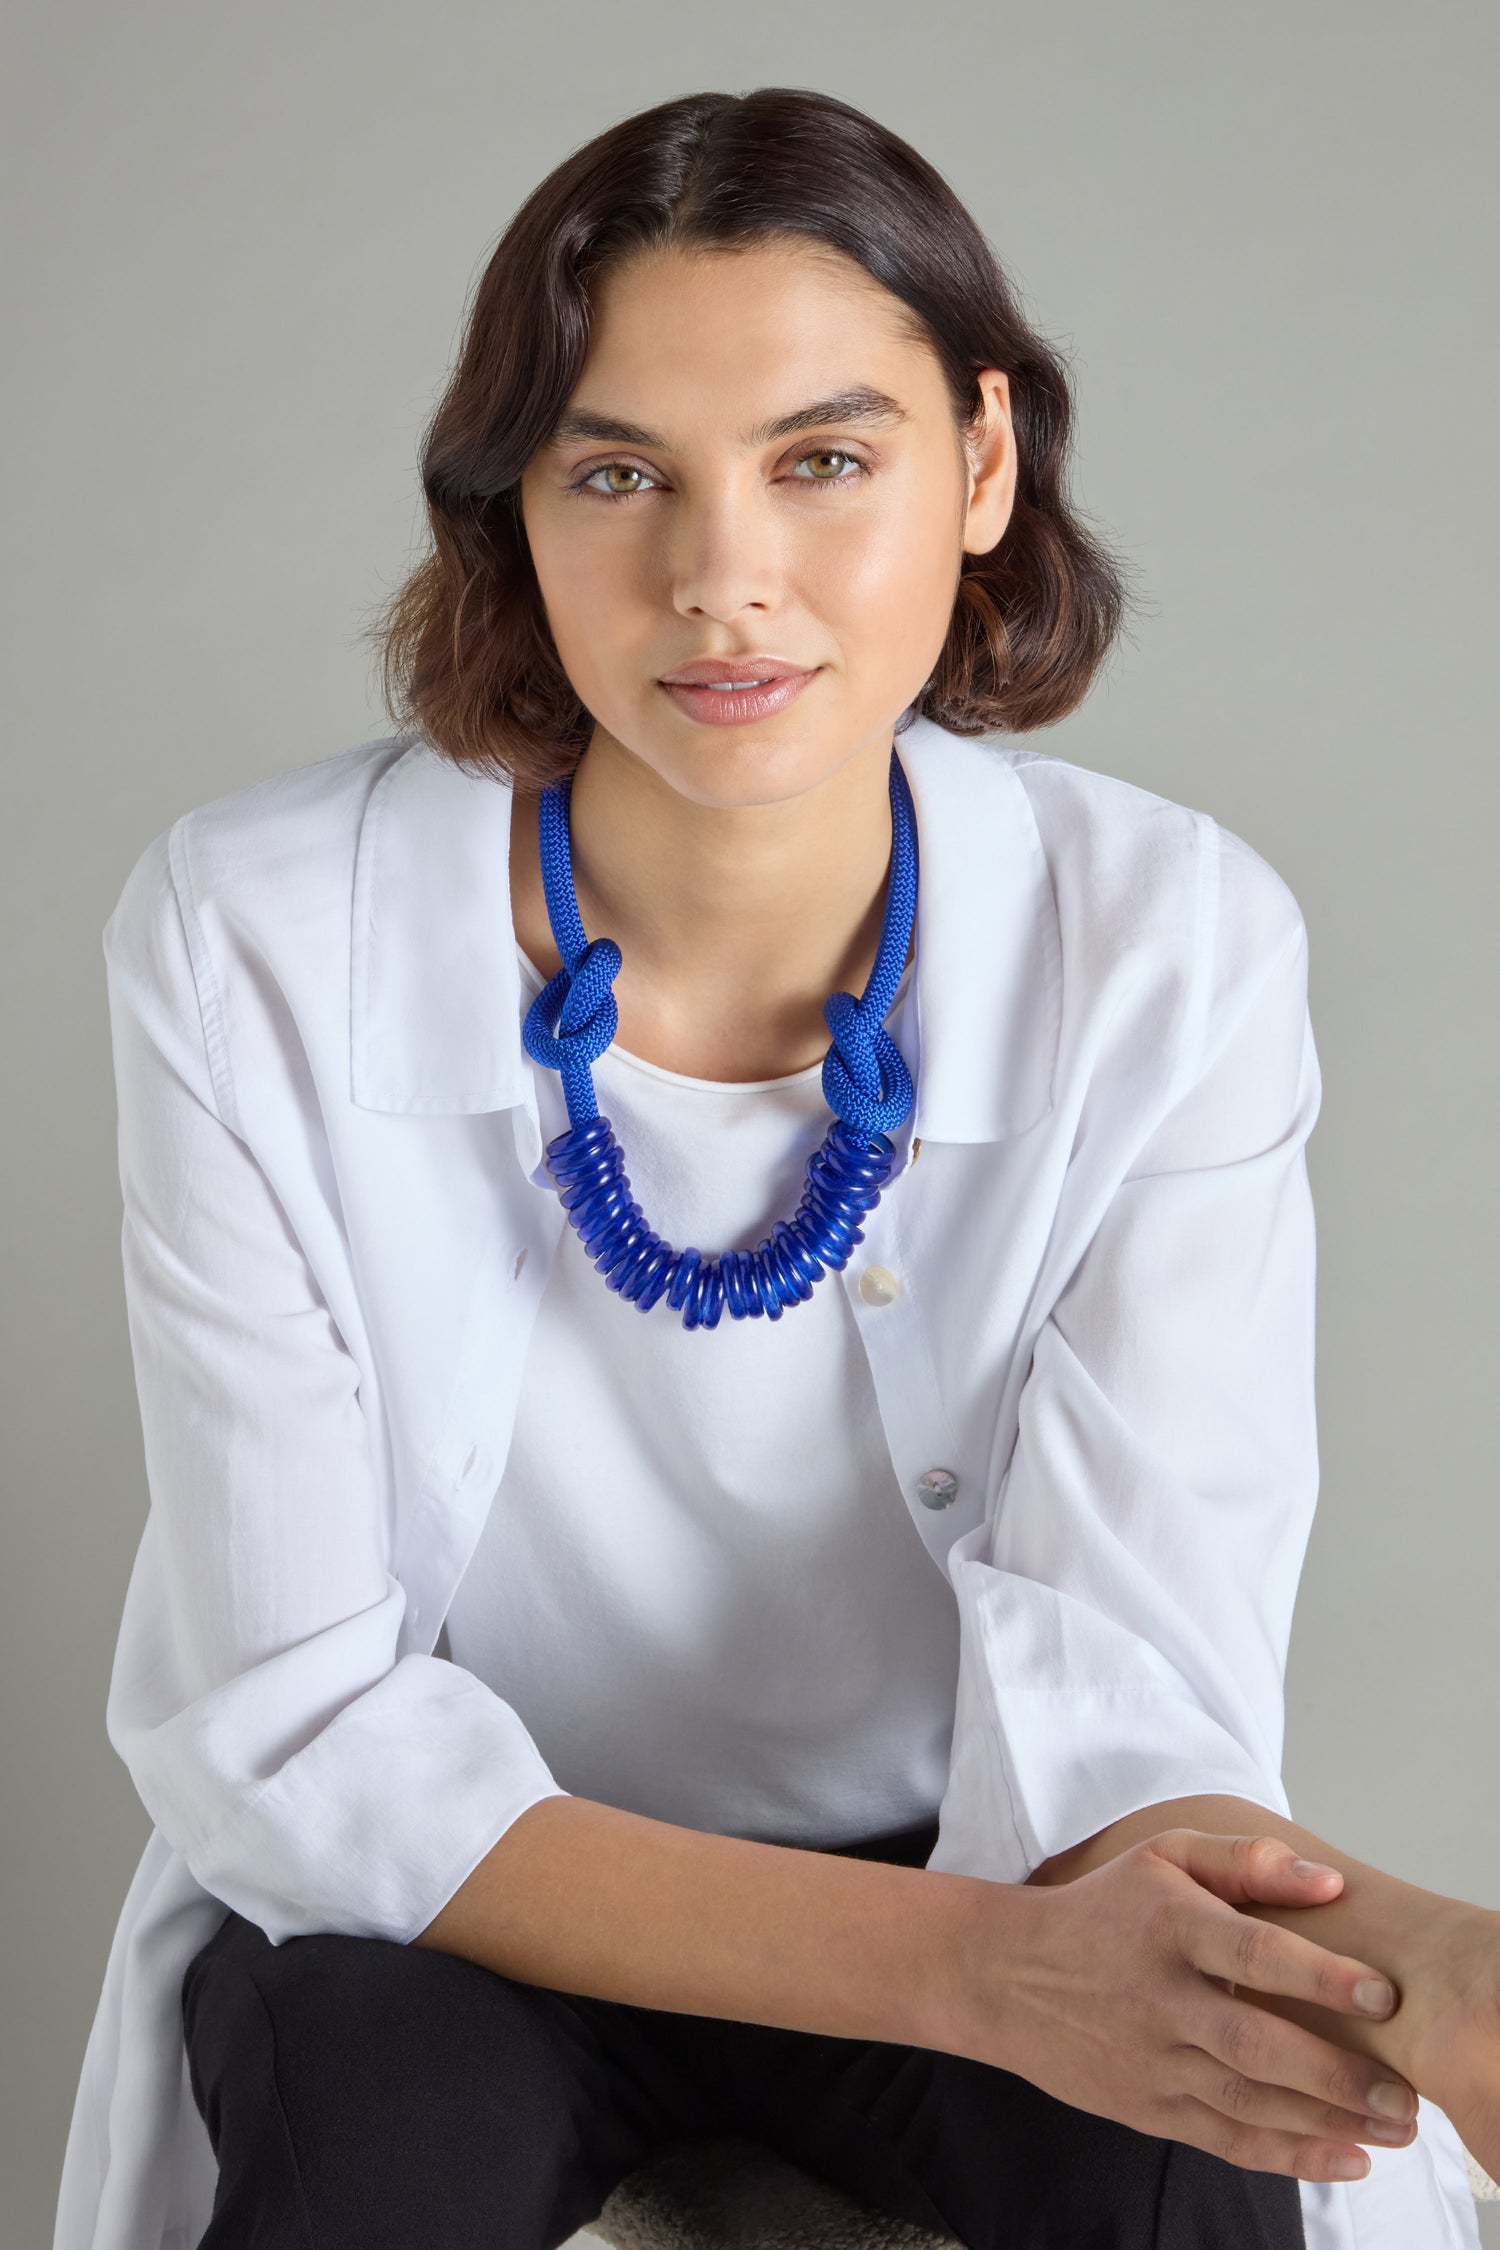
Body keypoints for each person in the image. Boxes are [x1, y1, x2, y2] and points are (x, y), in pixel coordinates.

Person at [54, 86, 1494, 2250]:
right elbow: (302, 1731)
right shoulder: (249, 931)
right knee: (379, 2143)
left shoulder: (1176, 947)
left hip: (993, 1865)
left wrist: (1399, 1963)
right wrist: (976, 1981)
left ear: (985, 464)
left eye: (827, 460)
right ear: (509, 516)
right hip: (458, 1913)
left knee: (1209, 2156)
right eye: (615, 471)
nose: (723, 578)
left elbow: (1129, 1688)